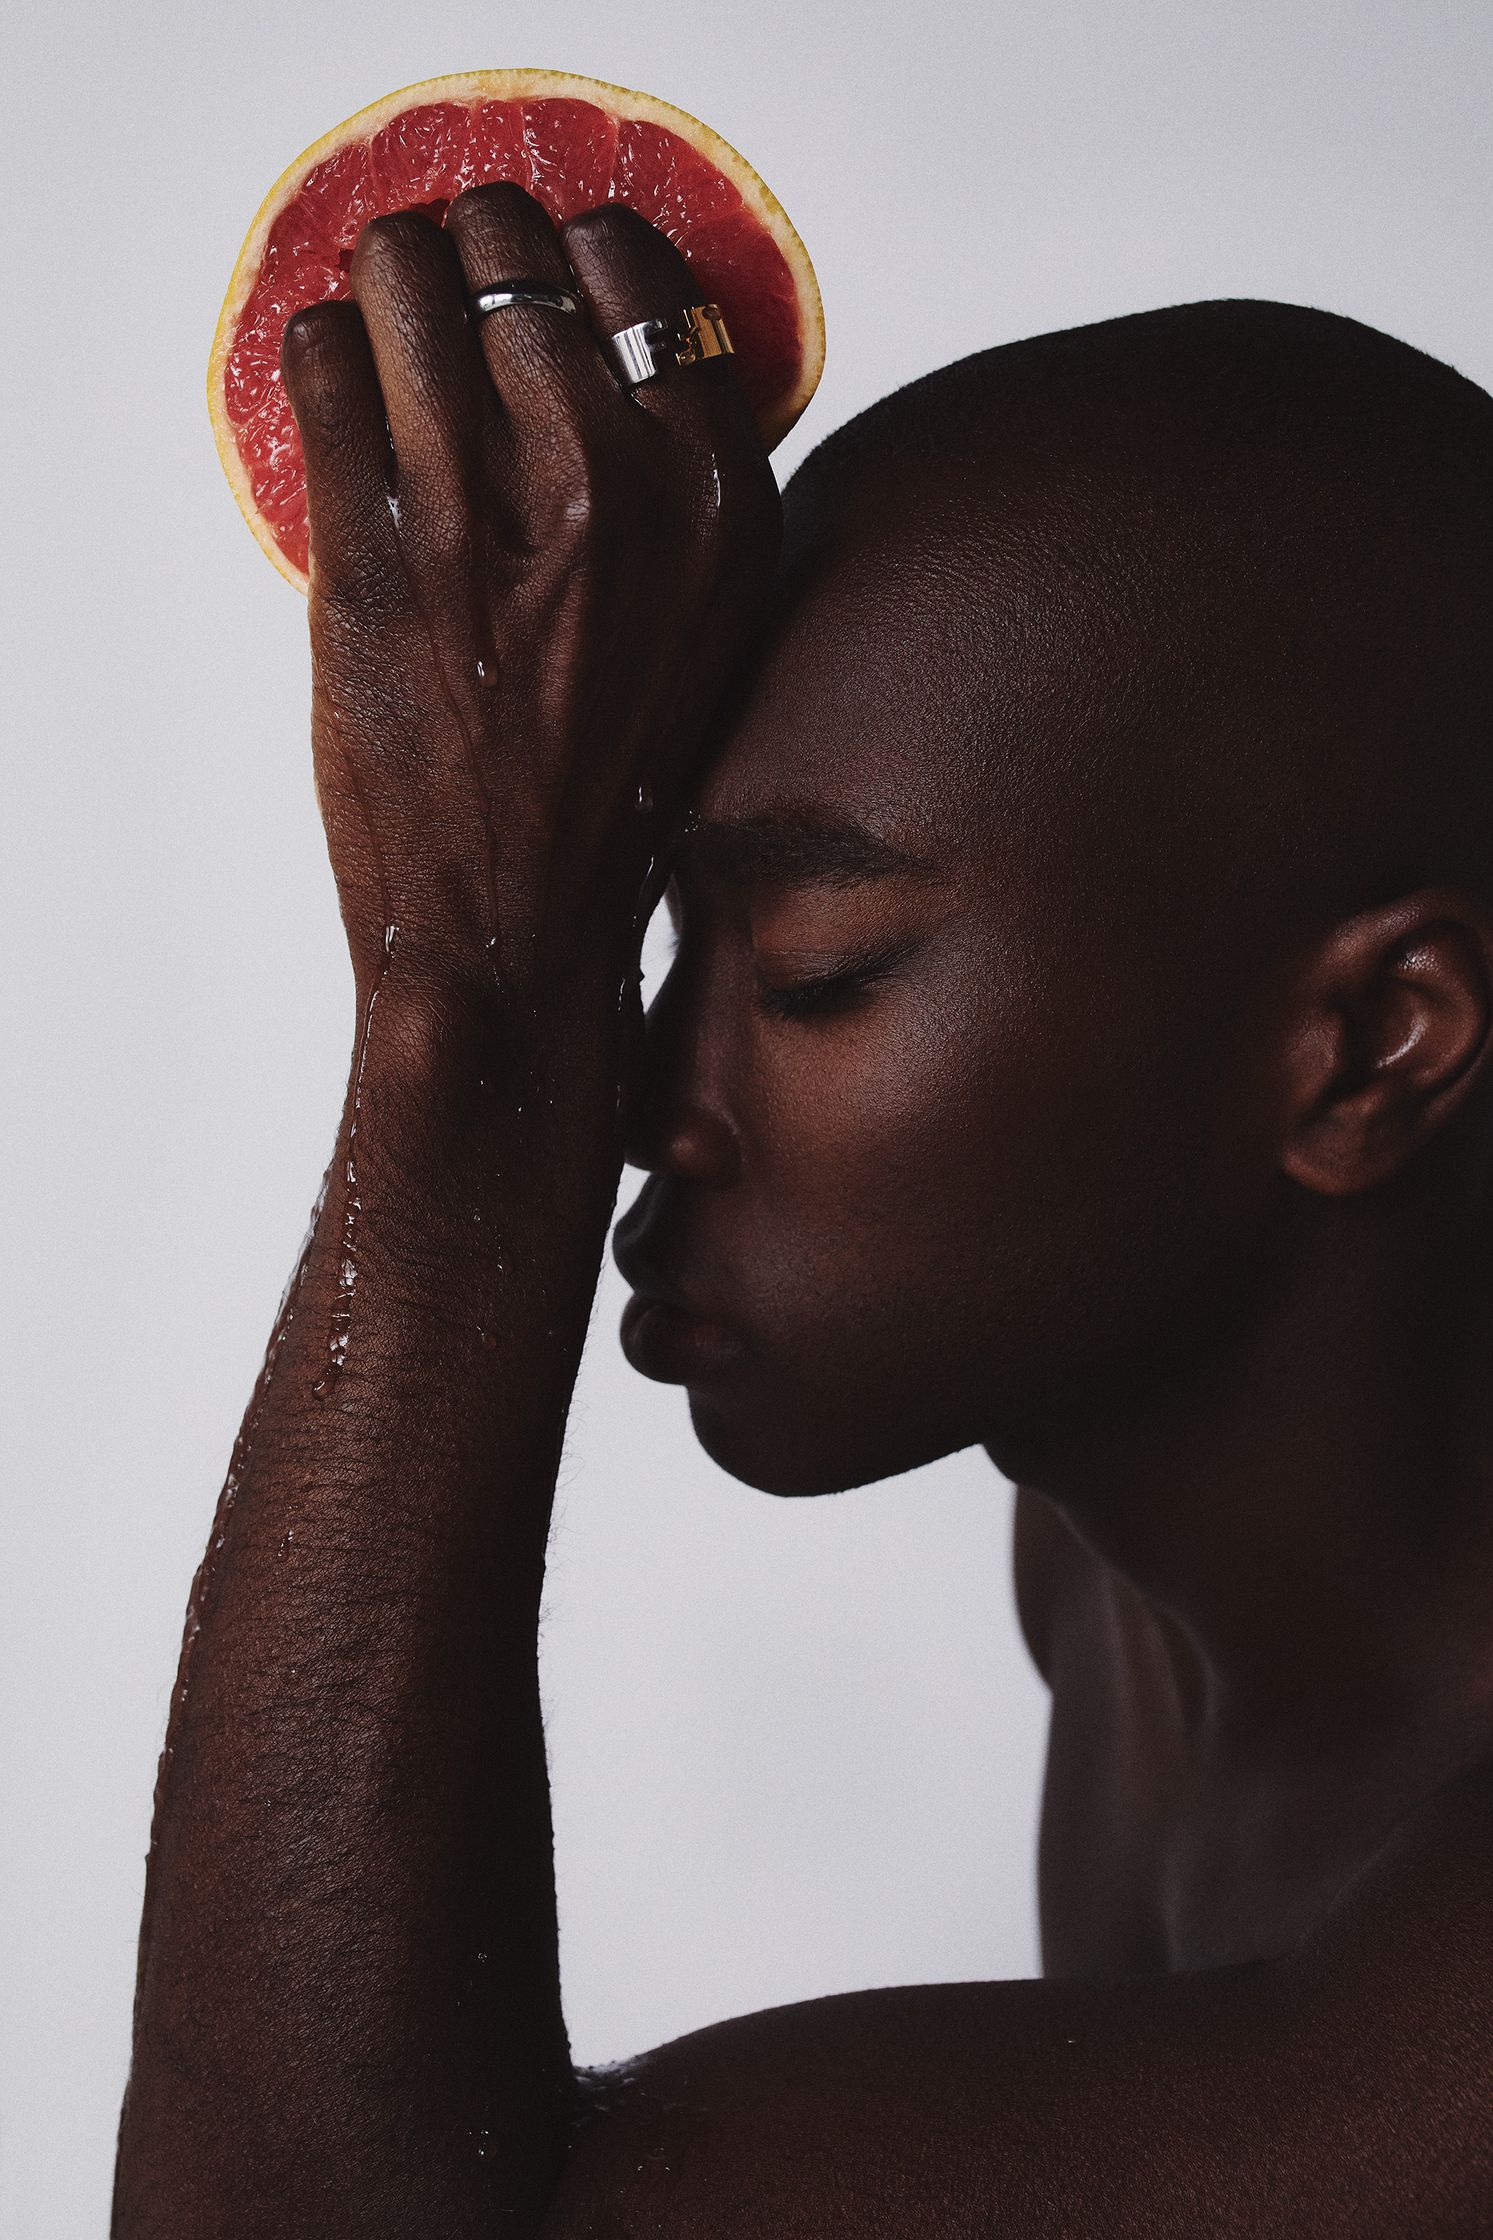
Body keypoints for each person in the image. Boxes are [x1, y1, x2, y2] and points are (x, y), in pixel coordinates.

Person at [113, 184, 1493, 2237]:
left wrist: (471, 1027)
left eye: (821, 969)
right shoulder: (1112, 1557)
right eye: (651, 940)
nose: (645, 1098)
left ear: (1372, 1045)